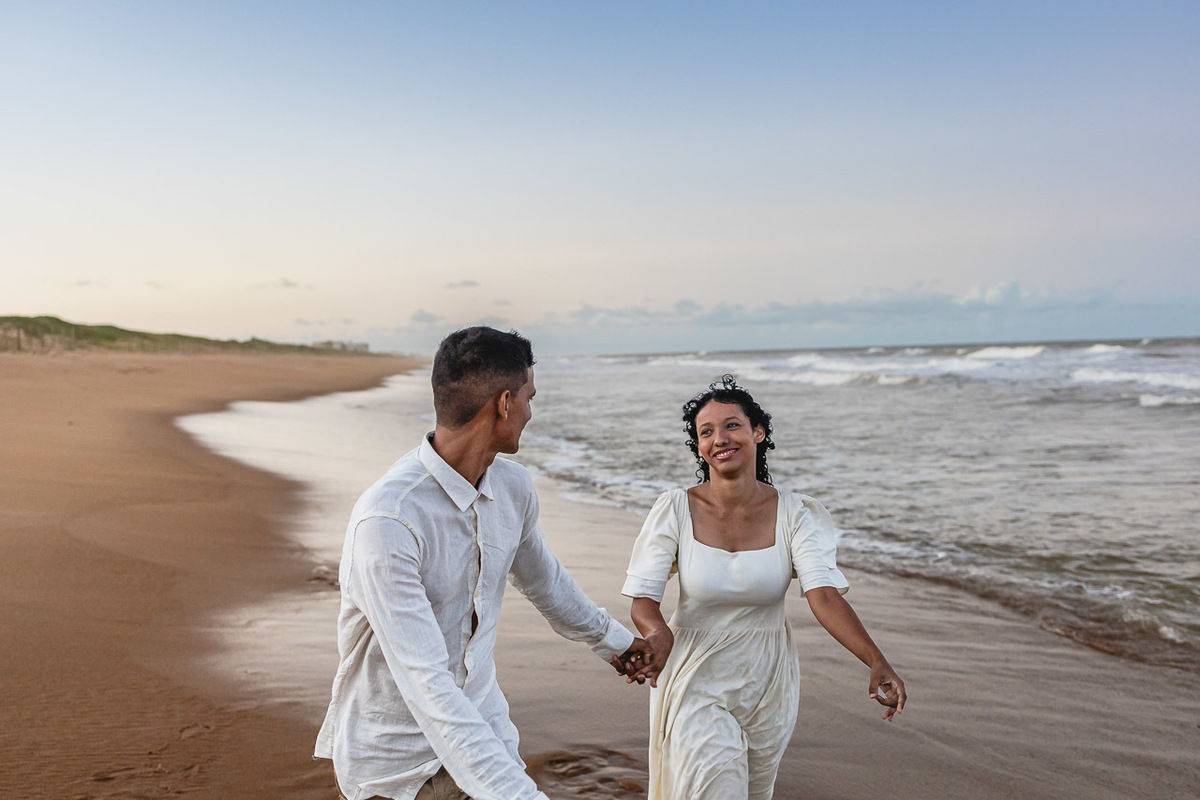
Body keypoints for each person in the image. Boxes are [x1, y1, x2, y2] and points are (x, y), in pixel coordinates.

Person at [315, 326, 652, 800]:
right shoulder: (389, 520)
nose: (532, 412)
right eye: (529, 398)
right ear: (505, 403)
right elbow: (427, 685)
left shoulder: (512, 488)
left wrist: (619, 644)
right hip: (398, 767)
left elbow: (548, 585)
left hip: (484, 730)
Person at [622, 374, 907, 800]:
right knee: (712, 785)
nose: (721, 438)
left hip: (767, 678)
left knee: (753, 792)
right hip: (694, 670)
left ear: (758, 432)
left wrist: (876, 660)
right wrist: (658, 632)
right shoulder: (674, 509)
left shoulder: (796, 513)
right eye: (707, 431)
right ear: (699, 447)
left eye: (732, 425)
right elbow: (643, 599)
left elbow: (823, 596)